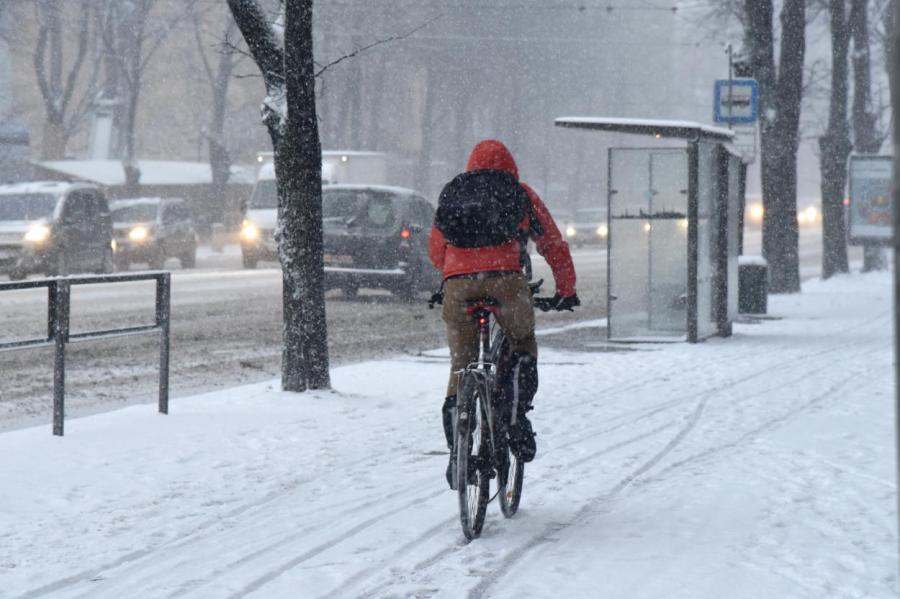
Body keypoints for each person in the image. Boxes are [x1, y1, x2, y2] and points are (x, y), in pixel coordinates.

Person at [429, 139, 579, 488]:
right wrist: (566, 290)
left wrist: (453, 274)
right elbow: (552, 243)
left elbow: (437, 248)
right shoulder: (520, 192)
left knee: (461, 365)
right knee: (522, 340)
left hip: (458, 286)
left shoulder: (455, 192)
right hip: (506, 282)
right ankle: (516, 416)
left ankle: (459, 451)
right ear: (510, 165)